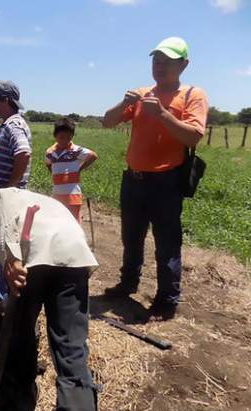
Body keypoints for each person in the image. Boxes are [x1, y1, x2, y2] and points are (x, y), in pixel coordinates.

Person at [102, 37, 209, 319]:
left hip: (167, 182)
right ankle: (128, 283)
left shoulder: (191, 95)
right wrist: (122, 103)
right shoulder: (141, 92)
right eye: (156, 60)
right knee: (131, 236)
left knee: (167, 242)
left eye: (167, 61)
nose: (159, 66)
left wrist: (162, 114)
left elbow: (194, 134)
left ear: (183, 65)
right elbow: (108, 121)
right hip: (134, 179)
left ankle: (167, 300)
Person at [0, 188, 98, 411]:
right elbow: (61, 251)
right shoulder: (48, 204)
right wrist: (6, 303)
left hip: (31, 258)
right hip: (74, 258)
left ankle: (18, 410)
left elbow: (4, 217)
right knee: (71, 352)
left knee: (19, 338)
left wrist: (11, 257)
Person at [0, 80, 32, 301]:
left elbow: (23, 153)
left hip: (7, 202)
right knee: (0, 250)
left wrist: (10, 187)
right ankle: (4, 291)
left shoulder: (14, 125)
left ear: (4, 100)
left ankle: (6, 297)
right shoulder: (8, 124)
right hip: (2, 199)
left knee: (4, 251)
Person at [45, 117, 98, 223]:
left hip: (73, 196)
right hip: (57, 195)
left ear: (72, 136)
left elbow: (93, 156)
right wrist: (56, 174)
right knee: (59, 222)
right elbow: (48, 164)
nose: (65, 140)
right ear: (55, 135)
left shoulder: (76, 150)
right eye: (61, 137)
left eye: (68, 137)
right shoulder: (50, 152)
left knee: (73, 224)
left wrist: (80, 168)